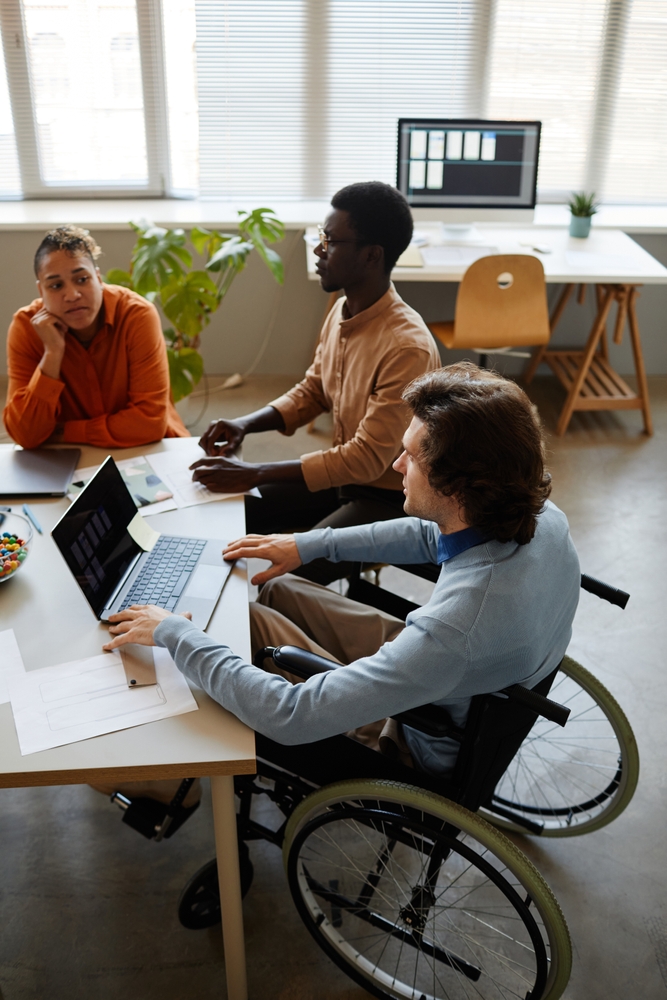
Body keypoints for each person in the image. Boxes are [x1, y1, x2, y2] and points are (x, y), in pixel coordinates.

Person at [103, 363, 581, 778]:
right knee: (274, 587)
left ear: (457, 486)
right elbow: (429, 535)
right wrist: (307, 545)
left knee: (237, 625)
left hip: (411, 734)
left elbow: (292, 715)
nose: (396, 464)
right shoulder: (539, 516)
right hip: (461, 684)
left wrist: (175, 634)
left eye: (411, 457)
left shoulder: (454, 632)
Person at [191, 181, 441, 583]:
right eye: (320, 237)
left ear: (371, 256)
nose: (318, 249)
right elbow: (314, 390)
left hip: (392, 499)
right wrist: (245, 424)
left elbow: (366, 459)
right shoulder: (344, 308)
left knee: (286, 582)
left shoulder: (405, 346)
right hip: (344, 479)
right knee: (232, 510)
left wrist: (257, 472)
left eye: (331, 240)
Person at [3, 226, 188, 449]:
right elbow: (25, 434)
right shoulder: (26, 327)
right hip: (68, 458)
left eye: (82, 279)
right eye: (56, 285)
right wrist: (52, 354)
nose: (72, 295)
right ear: (41, 292)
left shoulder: (136, 315)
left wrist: (62, 431)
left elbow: (149, 423)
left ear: (98, 278)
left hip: (147, 448)